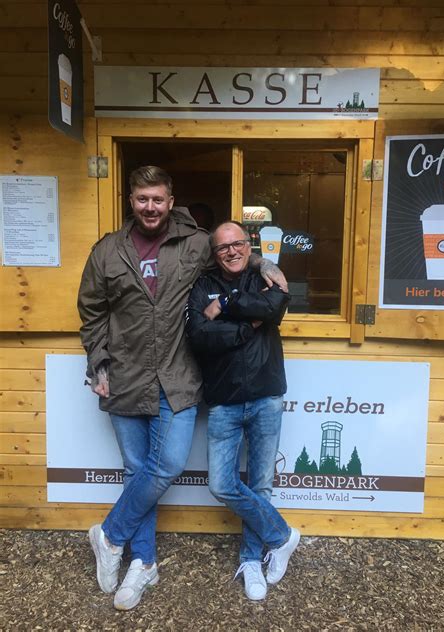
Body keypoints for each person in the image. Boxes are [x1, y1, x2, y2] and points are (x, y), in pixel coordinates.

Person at [77, 166, 287, 611]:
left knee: (166, 465)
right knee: (137, 472)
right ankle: (143, 563)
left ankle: (110, 535)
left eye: (158, 199)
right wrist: (98, 360)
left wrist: (263, 262)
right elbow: (91, 311)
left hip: (177, 377)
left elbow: (231, 254)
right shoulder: (107, 251)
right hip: (125, 377)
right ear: (130, 201)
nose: (150, 207)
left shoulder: (194, 243)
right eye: (142, 199)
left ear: (171, 202)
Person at [185, 221, 300, 601]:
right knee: (221, 485)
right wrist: (247, 327)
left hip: (266, 395)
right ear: (214, 253)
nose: (231, 251)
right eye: (223, 248)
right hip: (224, 400)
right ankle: (281, 536)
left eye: (237, 244)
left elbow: (275, 305)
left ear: (249, 245)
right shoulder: (202, 286)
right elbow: (199, 336)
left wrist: (226, 305)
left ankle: (251, 560)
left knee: (261, 484)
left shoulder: (263, 274)